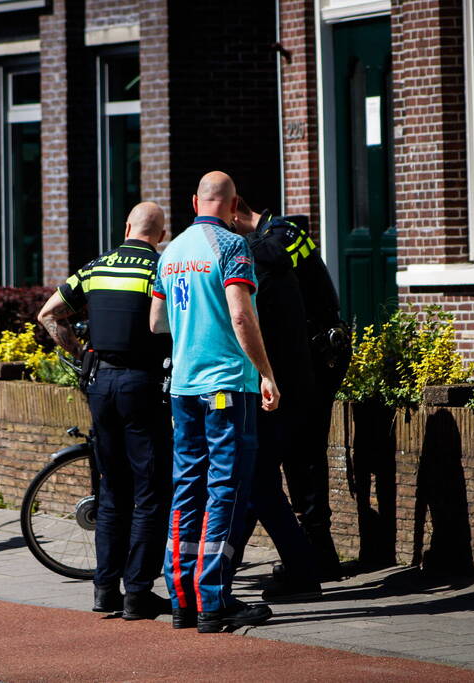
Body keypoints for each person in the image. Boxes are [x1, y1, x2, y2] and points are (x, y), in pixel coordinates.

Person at [150, 171, 279, 633]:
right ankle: (213, 600)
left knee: (186, 487)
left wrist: (192, 322)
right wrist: (266, 372)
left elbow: (157, 322)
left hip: (183, 387)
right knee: (225, 489)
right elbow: (241, 316)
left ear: (194, 202)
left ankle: (182, 599)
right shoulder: (232, 246)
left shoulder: (170, 253)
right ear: (234, 203)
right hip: (226, 384)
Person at [37, 201, 173, 621]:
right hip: (142, 385)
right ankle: (138, 593)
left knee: (112, 489)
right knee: (150, 490)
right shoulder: (159, 269)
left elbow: (48, 314)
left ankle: (104, 589)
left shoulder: (96, 267)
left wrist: (82, 357)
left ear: (127, 227)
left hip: (100, 384)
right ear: (161, 235)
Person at [234, 202, 350, 586]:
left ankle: (314, 557)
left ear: (235, 213)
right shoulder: (279, 235)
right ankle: (319, 554)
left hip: (310, 361)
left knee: (294, 456)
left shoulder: (276, 238)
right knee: (302, 454)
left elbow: (268, 271)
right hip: (312, 358)